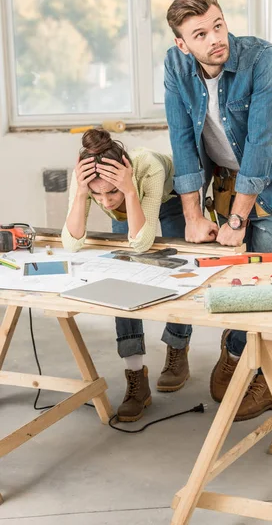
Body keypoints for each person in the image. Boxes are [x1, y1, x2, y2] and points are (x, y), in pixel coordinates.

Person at [164, 0, 272, 421]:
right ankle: (236, 353)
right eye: (200, 34)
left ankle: (267, 379)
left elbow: (263, 145)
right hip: (224, 183)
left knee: (265, 289)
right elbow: (182, 139)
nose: (215, 38)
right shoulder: (175, 66)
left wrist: (236, 218)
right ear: (182, 44)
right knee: (230, 282)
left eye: (218, 25)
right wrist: (193, 215)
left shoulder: (262, 59)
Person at [61, 129, 192, 422]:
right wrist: (83, 192)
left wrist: (130, 191)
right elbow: (72, 242)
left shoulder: (149, 169)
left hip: (172, 198)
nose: (105, 202)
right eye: (97, 194)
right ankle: (136, 374)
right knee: (123, 280)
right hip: (132, 204)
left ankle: (178, 348)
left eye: (111, 191)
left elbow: (143, 241)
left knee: (181, 272)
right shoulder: (85, 177)